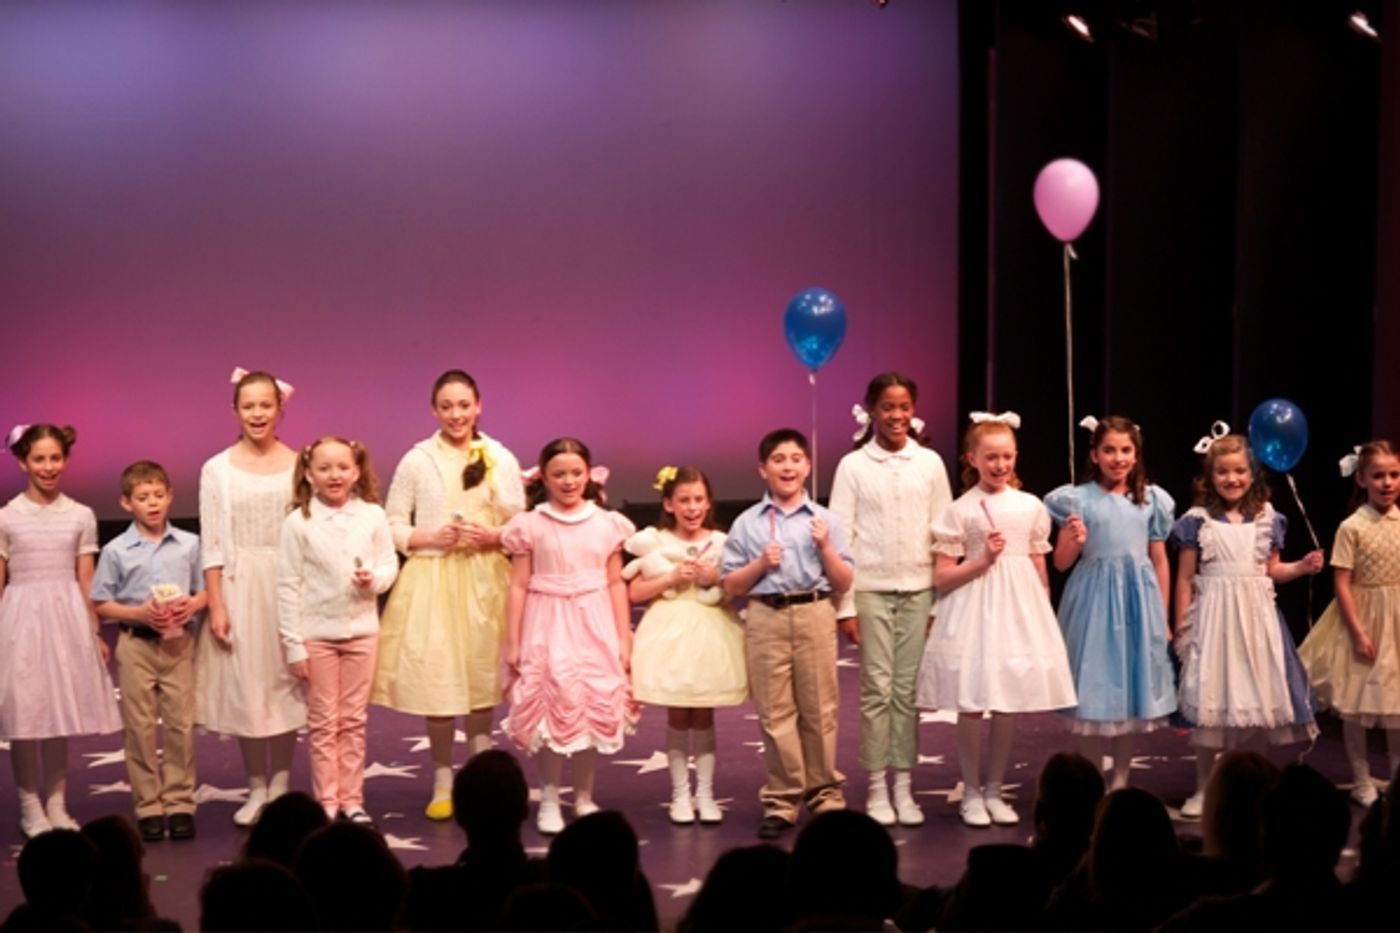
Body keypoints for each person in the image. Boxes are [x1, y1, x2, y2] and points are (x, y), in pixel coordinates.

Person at [371, 370, 525, 821]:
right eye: (447, 406)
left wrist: (491, 535)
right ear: (434, 410)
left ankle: (480, 778)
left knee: (480, 681)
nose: (456, 414)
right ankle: (442, 781)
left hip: (483, 581)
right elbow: (393, 521)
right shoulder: (418, 459)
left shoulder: (498, 456)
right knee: (438, 683)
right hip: (434, 580)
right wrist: (430, 537)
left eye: (464, 405)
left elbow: (520, 523)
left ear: (478, 406)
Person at [915, 412, 1076, 828]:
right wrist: (982, 559)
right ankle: (970, 791)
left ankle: (994, 789)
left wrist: (1042, 614)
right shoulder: (959, 512)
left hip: (1018, 612)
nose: (1000, 465)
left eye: (1006, 456)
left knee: (1007, 702)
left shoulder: (1030, 507)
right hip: (974, 609)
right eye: (991, 457)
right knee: (973, 701)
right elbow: (944, 577)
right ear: (972, 458)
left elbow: (1039, 568)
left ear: (1016, 456)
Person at [1172, 425, 1324, 818]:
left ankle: (1255, 786)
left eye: (1239, 471)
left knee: (1256, 704)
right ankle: (1206, 787)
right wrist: (1181, 628)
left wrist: (1302, 567)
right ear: (1209, 477)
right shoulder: (1197, 521)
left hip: (1256, 624)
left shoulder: (1267, 520)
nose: (1231, 479)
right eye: (1222, 472)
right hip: (1213, 622)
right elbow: (1185, 579)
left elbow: (1272, 570)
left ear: (1252, 474)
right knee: (1212, 702)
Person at [828, 371, 952, 826]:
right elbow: (842, 537)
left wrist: (939, 601)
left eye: (904, 407)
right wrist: (845, 605)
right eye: (888, 407)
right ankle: (877, 786)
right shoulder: (854, 466)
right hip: (872, 593)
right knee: (877, 690)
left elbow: (944, 533)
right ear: (872, 411)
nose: (897, 415)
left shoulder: (930, 464)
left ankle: (905, 784)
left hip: (919, 591)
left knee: (907, 691)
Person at [721, 428, 854, 840]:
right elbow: (731, 586)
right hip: (766, 617)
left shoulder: (825, 520)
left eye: (796, 458)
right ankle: (782, 798)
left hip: (814, 611)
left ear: (808, 466)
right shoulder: (747, 524)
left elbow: (845, 580)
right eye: (778, 459)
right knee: (775, 711)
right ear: (763, 469)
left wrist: (826, 548)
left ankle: (824, 793)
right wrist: (760, 563)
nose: (788, 466)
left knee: (819, 707)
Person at [500, 438, 638, 834]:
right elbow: (518, 585)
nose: (568, 481)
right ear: (544, 477)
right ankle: (548, 795)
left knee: (591, 704)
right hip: (547, 622)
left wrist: (623, 638)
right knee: (552, 704)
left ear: (588, 474)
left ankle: (582, 795)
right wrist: (513, 640)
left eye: (576, 473)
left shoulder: (607, 523)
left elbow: (614, 583)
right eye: (559, 474)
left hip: (594, 623)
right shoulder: (530, 525)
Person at [196, 369, 305, 827]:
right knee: (246, 683)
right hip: (241, 584)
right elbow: (214, 541)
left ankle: (280, 785)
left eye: (266, 405)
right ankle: (256, 785)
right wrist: (216, 603)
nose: (258, 414)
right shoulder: (217, 469)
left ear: (280, 409)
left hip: (288, 583)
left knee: (286, 681)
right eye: (249, 406)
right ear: (235, 410)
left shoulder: (301, 461)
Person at [0, 424, 120, 839]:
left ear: (65, 460)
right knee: (25, 715)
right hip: (21, 620)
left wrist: (94, 631)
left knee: (57, 714)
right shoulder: (7, 517)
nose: (48, 467)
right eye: (39, 459)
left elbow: (86, 581)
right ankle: (30, 805)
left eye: (55, 458)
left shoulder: (80, 515)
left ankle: (56, 803)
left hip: (65, 617)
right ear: (22, 462)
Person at [1044, 415, 1176, 790]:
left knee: (1129, 690)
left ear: (1136, 455)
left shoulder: (1152, 500)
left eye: (1125, 450)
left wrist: (1161, 616)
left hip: (1137, 600)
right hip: (1094, 601)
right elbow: (1061, 562)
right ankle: (1090, 780)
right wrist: (1074, 538)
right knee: (1093, 687)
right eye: (1109, 450)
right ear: (1094, 454)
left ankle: (1119, 780)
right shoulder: (1077, 499)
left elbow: (1160, 560)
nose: (1118, 457)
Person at [277, 436, 398, 824]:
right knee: (324, 721)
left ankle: (352, 798)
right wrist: (294, 645)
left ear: (356, 471)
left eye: (343, 467)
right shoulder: (299, 522)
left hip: (362, 631)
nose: (335, 475)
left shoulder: (372, 515)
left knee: (354, 719)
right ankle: (327, 801)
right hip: (317, 634)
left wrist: (373, 580)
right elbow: (288, 585)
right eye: (325, 468)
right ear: (310, 474)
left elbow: (389, 564)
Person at [91, 461, 207, 842]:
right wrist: (138, 612)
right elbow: (101, 602)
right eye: (143, 497)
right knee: (139, 728)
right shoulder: (116, 550)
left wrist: (194, 604)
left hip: (178, 643)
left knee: (179, 726)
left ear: (170, 496)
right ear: (127, 503)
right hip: (136, 644)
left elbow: (205, 589)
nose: (152, 503)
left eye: (158, 495)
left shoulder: (189, 544)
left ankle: (179, 802)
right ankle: (148, 806)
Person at [627, 465, 746, 824]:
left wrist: (717, 579)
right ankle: (681, 794)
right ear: (669, 504)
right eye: (684, 500)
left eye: (698, 500)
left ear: (709, 503)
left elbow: (736, 589)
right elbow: (634, 592)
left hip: (711, 633)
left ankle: (705, 793)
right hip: (670, 634)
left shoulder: (724, 542)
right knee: (679, 712)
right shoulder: (657, 542)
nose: (692, 508)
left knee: (704, 712)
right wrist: (671, 576)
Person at [1298, 440, 1400, 807]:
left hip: (1397, 621)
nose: (1387, 483)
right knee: (1357, 703)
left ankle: (1396, 778)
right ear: (1361, 479)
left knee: (1396, 707)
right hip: (1362, 618)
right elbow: (1341, 582)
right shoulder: (1352, 526)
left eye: (1394, 475)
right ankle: (1360, 779)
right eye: (1378, 476)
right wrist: (1358, 631)